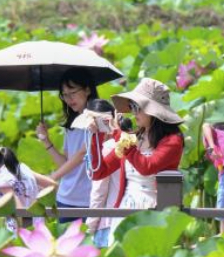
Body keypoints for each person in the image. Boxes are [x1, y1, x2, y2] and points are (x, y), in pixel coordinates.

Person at [90, 78, 185, 247]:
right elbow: (99, 172)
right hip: (124, 209)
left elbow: (146, 167)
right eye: (131, 107)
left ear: (152, 111)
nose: (133, 113)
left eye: (136, 107)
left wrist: (120, 135)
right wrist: (95, 137)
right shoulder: (133, 138)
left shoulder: (172, 140)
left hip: (154, 212)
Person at [36, 69, 98, 218]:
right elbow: (67, 164)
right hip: (65, 198)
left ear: (88, 90)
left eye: (73, 92)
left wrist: (52, 178)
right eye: (65, 95)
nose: (69, 99)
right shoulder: (71, 125)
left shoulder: (98, 120)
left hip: (90, 200)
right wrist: (46, 141)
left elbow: (84, 153)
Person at [72, 99, 122, 246]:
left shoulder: (106, 149)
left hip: (108, 222)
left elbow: (99, 193)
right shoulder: (127, 143)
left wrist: (90, 228)